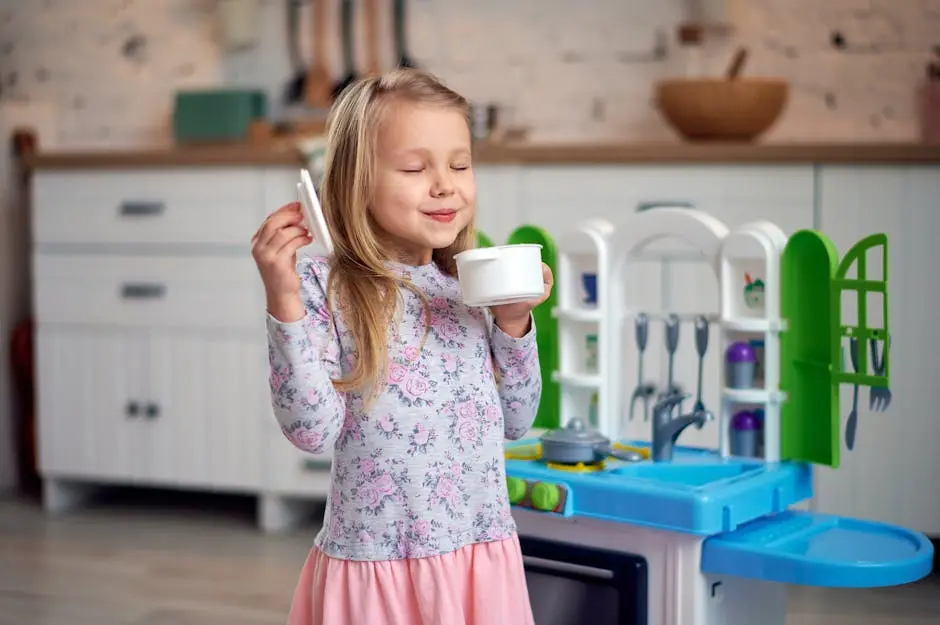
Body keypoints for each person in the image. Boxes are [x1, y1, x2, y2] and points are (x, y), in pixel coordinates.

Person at [250, 68, 552, 625]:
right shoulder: (327, 288)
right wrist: (283, 298)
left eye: (460, 165)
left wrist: (513, 324)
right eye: (416, 168)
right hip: (379, 566)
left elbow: (518, 419)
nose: (446, 184)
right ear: (356, 183)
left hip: (477, 557)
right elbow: (311, 429)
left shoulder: (469, 285)